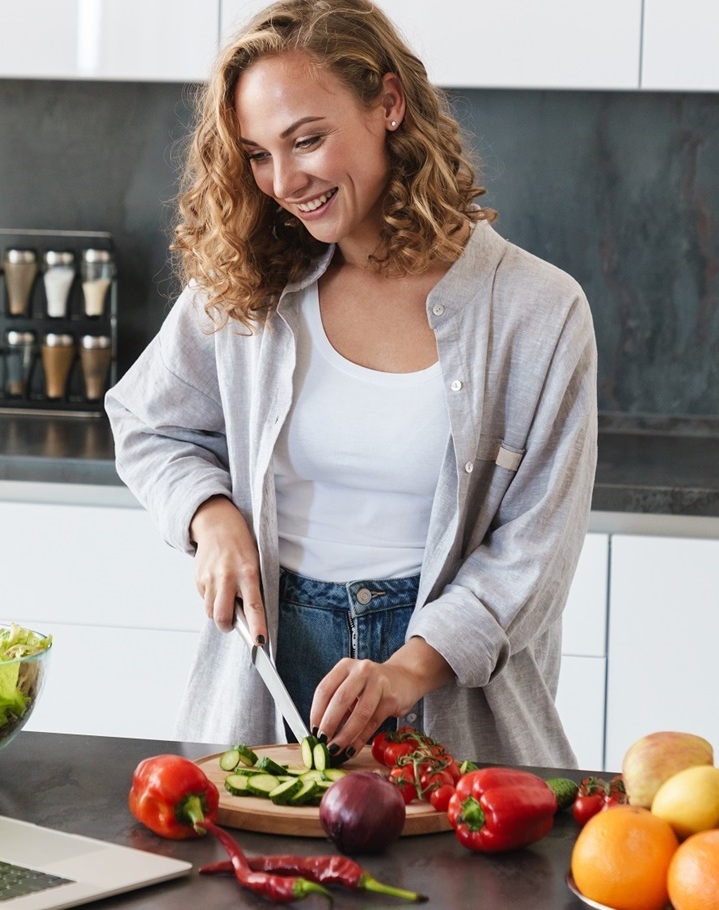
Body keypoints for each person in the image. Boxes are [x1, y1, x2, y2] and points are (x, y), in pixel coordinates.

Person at [105, 0, 596, 768]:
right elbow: (147, 423)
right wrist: (209, 515)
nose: (282, 180)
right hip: (269, 674)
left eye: (306, 140)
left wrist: (406, 671)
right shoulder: (247, 284)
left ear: (389, 104)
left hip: (444, 689)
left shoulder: (536, 310)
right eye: (258, 154)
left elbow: (533, 554)